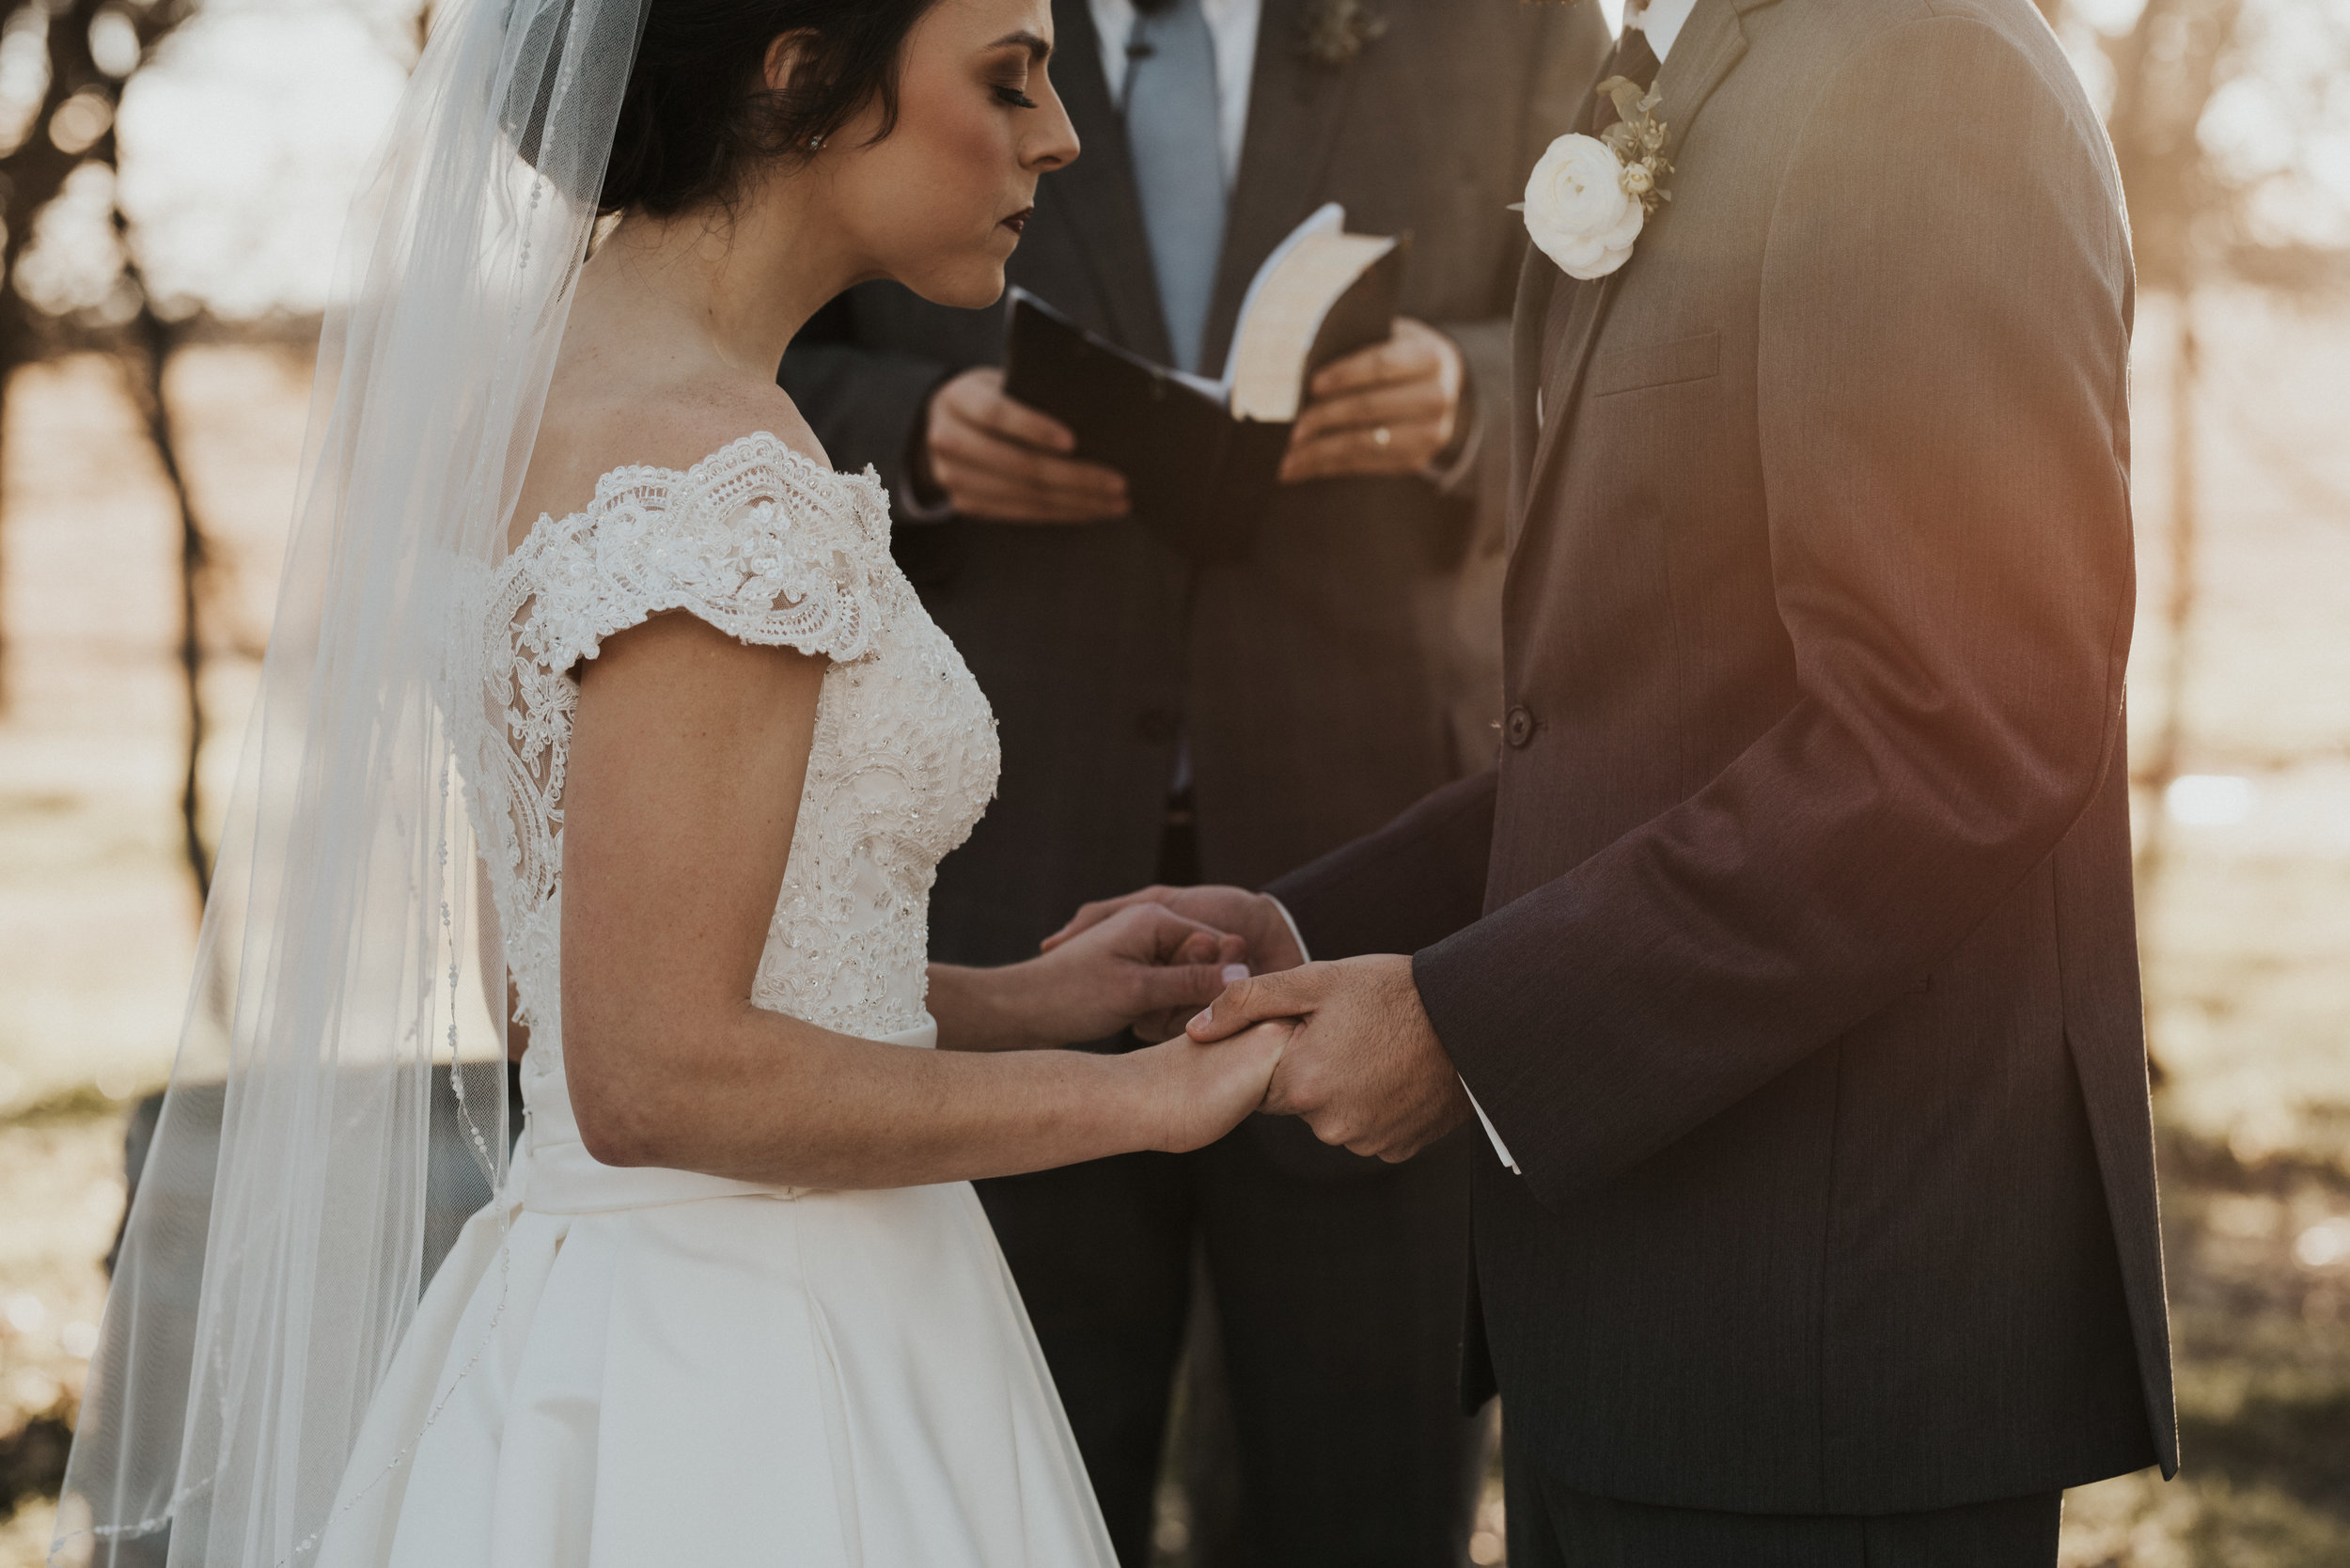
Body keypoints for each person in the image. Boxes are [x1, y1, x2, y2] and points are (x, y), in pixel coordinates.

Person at [59, 4, 1292, 1565]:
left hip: (587, 1318)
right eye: (1008, 74)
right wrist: (1151, 1099)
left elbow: (561, 1010)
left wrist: (1030, 999)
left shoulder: (524, 407)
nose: (1055, 132)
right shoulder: (719, 476)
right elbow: (657, 1080)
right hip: (767, 1365)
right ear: (797, 70)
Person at [1067, 0, 2177, 1561]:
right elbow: (1639, 716)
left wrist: (1474, 1031)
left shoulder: (1921, 73)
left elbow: (1953, 728)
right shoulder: (1687, 68)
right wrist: (1300, 927)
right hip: (1638, 1328)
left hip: (1822, 1350)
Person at [780, 1, 1606, 1558]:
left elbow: (1616, 346)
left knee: (1367, 1489)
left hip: (1374, 880)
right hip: (997, 893)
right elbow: (747, 322)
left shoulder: (1511, 21)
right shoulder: (916, 20)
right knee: (1002, 1492)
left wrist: (1471, 400)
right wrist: (913, 433)